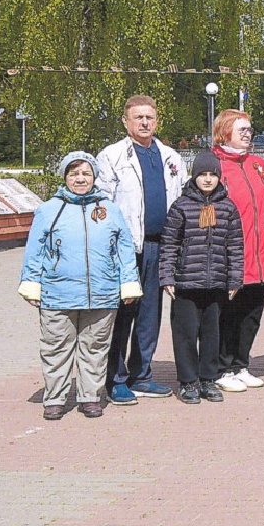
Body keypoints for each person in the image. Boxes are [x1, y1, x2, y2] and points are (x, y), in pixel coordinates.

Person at [18, 151, 142, 419]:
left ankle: (90, 396)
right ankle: (55, 398)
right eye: (74, 173)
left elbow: (124, 248)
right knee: (56, 349)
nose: (80, 178)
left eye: (85, 173)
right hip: (58, 294)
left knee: (95, 349)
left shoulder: (110, 209)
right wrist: (31, 283)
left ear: (94, 176)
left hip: (102, 293)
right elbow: (34, 249)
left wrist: (129, 282)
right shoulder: (49, 209)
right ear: (65, 177)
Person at [95, 95, 189, 405]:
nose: (144, 123)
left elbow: (182, 199)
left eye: (149, 117)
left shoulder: (171, 157)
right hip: (126, 248)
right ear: (126, 122)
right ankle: (116, 378)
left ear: (157, 120)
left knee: (150, 314)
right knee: (123, 313)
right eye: (138, 118)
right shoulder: (111, 156)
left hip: (161, 246)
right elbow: (103, 205)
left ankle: (142, 374)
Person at [157, 150, 245, 405]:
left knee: (212, 334)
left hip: (216, 282)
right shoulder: (181, 206)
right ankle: (188, 381)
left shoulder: (227, 208)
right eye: (202, 174)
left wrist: (235, 278)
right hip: (186, 283)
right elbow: (170, 244)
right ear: (194, 176)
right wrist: (167, 277)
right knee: (185, 334)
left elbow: (235, 246)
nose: (207, 179)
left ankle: (208, 379)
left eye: (212, 175)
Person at [211, 110, 264, 392]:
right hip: (232, 251)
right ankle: (222, 368)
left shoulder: (257, 163)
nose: (248, 134)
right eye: (242, 129)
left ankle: (241, 364)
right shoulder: (214, 164)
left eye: (250, 129)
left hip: (260, 250)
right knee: (228, 313)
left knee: (252, 312)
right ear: (225, 131)